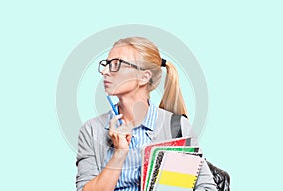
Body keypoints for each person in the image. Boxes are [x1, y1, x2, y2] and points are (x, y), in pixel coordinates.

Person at [76, 37, 217, 191]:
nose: (105, 72)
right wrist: (119, 153)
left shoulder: (177, 128)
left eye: (116, 64)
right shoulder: (91, 130)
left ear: (144, 77)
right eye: (106, 64)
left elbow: (207, 187)